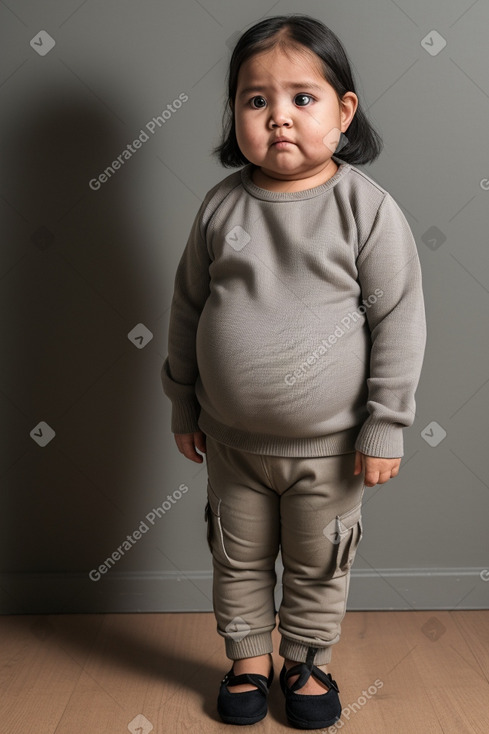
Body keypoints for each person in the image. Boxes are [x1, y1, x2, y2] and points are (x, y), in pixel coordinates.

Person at [161, 13, 426, 730]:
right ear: (234, 113)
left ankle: (304, 661)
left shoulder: (364, 210)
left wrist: (385, 425)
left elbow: (398, 319)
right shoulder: (220, 208)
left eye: (302, 98)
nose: (278, 117)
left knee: (319, 562)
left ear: (343, 112)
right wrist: (183, 406)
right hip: (231, 444)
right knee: (237, 555)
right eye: (255, 100)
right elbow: (187, 310)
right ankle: (247, 658)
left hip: (332, 448)